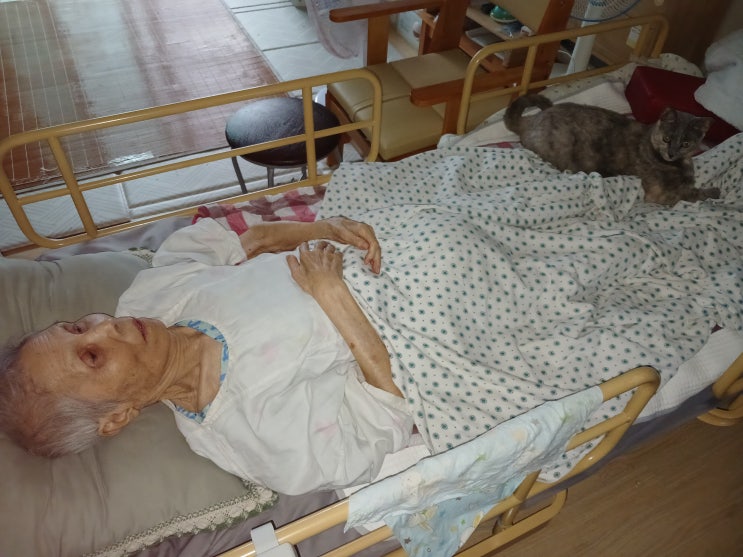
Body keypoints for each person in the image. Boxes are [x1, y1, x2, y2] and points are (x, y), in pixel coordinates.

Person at [0, 216, 414, 495]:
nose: (107, 326)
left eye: (77, 327)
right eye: (92, 356)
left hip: (392, 238)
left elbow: (251, 241)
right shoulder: (251, 436)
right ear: (117, 417)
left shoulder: (149, 296)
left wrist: (328, 227)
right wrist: (333, 295)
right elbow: (387, 416)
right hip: (417, 313)